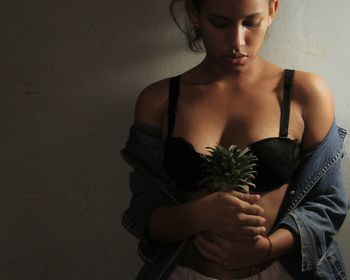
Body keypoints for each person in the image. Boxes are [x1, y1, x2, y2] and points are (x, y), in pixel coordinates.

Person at [121, 0, 349, 279]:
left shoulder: (304, 93)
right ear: (195, 14)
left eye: (250, 22)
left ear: (273, 10)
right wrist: (198, 215)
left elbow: (329, 202)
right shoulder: (159, 100)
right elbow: (145, 213)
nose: (237, 41)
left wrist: (267, 248)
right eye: (220, 23)